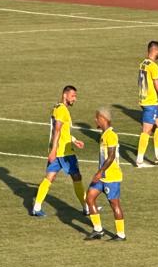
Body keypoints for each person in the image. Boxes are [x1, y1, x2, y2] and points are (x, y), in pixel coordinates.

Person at [30, 85, 86, 217]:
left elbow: (62, 131)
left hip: (57, 149)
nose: (75, 99)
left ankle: (36, 207)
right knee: (77, 177)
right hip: (64, 153)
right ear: (65, 95)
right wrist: (54, 149)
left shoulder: (57, 107)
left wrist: (73, 139)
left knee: (49, 177)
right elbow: (57, 130)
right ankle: (87, 207)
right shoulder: (62, 110)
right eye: (73, 96)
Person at [85, 108, 126, 241]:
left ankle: (121, 234)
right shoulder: (104, 134)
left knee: (114, 205)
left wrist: (100, 172)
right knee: (89, 197)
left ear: (103, 118)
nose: (95, 120)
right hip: (102, 176)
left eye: (97, 118)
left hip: (111, 176)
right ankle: (98, 230)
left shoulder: (111, 135)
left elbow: (111, 156)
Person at [135, 40, 158, 167]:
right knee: (147, 130)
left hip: (145, 100)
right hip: (150, 102)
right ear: (155, 50)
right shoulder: (154, 66)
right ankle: (139, 160)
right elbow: (157, 85)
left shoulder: (142, 63)